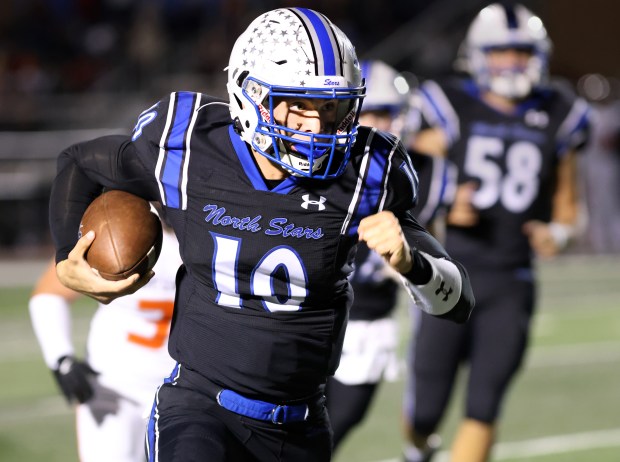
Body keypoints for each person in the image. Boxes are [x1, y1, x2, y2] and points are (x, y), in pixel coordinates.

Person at [48, 8, 475, 462]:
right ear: (251, 95)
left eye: (332, 107)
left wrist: (413, 263)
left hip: (300, 424)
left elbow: (458, 301)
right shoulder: (190, 144)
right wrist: (65, 258)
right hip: (199, 409)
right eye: (299, 105)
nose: (317, 125)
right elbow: (79, 162)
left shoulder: (368, 172)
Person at [402, 4, 590, 462]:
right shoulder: (449, 104)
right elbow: (404, 182)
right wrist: (443, 204)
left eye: (520, 52)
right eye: (501, 51)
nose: (511, 62)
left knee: (485, 403)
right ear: (478, 55)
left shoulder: (557, 110)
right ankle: (417, 452)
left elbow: (570, 208)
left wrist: (558, 235)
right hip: (447, 271)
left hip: (511, 278)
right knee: (426, 407)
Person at [325, 59, 454, 451]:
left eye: (388, 113)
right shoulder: (317, 165)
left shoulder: (421, 174)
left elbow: (433, 247)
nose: (379, 122)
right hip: (310, 309)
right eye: (370, 112)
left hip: (367, 318)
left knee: (341, 420)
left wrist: (407, 265)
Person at [29, 222, 180, 462]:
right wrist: (61, 356)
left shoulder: (211, 231)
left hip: (186, 392)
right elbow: (50, 293)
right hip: (116, 389)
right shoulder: (121, 224)